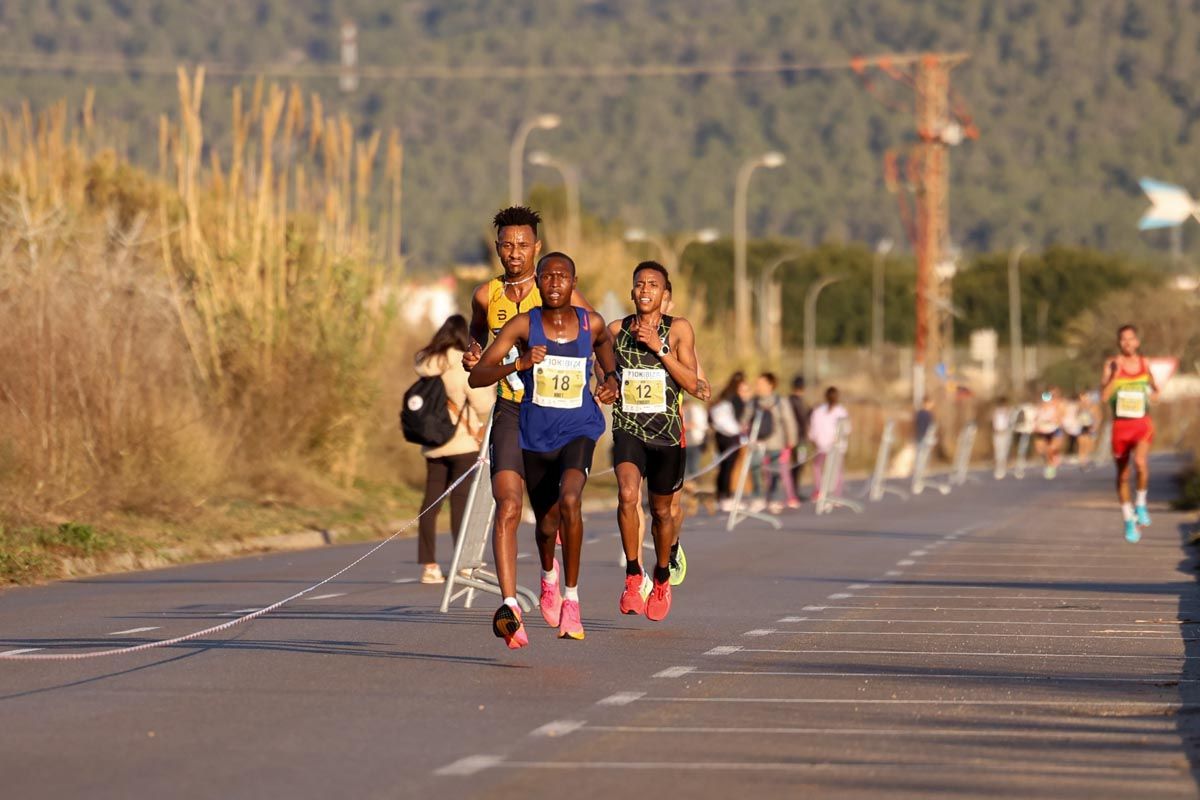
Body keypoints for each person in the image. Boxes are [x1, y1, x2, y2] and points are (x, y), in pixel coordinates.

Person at [469, 252, 617, 646]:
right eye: (547, 277)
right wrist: (517, 366)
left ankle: (571, 599)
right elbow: (479, 373)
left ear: (573, 282)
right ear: (539, 283)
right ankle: (547, 577)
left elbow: (606, 349)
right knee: (547, 522)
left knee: (570, 501)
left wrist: (612, 380)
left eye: (562, 277)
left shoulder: (591, 322)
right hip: (535, 433)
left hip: (579, 429)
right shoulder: (523, 326)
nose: (554, 284)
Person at [610, 261, 700, 621]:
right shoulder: (616, 330)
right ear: (632, 292)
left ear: (666, 296)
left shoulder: (678, 330)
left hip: (666, 434)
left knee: (662, 512)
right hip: (628, 426)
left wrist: (660, 348)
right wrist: (606, 382)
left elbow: (693, 383)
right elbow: (603, 369)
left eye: (653, 284)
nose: (645, 289)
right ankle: (634, 574)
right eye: (639, 284)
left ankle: (661, 575)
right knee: (627, 495)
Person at [412, 315, 495, 583]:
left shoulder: (426, 363)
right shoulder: (463, 364)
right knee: (460, 504)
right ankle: (462, 565)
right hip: (462, 443)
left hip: (433, 442)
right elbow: (482, 405)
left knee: (430, 504)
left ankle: (429, 566)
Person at [1101, 324, 1159, 543]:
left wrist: (1152, 394)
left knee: (1141, 463)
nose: (1127, 343)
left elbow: (1156, 391)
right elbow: (1105, 396)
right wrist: (1115, 376)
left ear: (1137, 342)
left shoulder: (1145, 364)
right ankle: (1128, 518)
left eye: (1131, 339)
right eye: (1123, 339)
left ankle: (1141, 504)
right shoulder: (1111, 365)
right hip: (1120, 427)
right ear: (1119, 342)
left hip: (1142, 423)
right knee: (1123, 475)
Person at [754, 373, 798, 514]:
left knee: (775, 471)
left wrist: (791, 439)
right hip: (757, 442)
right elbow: (745, 419)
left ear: (770, 385)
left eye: (761, 383)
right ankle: (759, 496)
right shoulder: (754, 401)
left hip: (776, 441)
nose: (758, 386)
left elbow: (789, 420)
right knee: (756, 468)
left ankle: (773, 498)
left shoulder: (780, 401)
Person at [709, 372, 751, 512]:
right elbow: (741, 418)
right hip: (731, 436)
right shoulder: (735, 399)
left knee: (723, 467)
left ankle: (721, 496)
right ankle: (726, 497)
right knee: (729, 467)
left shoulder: (724, 396)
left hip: (720, 435)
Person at [808, 387, 850, 500]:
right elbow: (847, 430)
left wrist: (815, 440)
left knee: (818, 467)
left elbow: (813, 430)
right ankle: (835, 494)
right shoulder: (841, 411)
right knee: (837, 471)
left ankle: (820, 490)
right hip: (832, 447)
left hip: (822, 446)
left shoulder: (819, 411)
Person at [787, 376, 810, 503]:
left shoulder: (789, 400)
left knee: (796, 464)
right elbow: (803, 419)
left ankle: (794, 490)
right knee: (798, 464)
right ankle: (794, 491)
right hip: (799, 438)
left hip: (793, 437)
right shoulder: (798, 402)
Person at [1033, 388, 1064, 479]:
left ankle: (1051, 466)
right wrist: (1036, 426)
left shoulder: (1056, 406)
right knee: (1041, 449)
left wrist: (1056, 421)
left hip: (1054, 430)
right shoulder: (1039, 407)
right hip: (1042, 431)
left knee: (1052, 448)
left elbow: (1060, 418)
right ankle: (1050, 461)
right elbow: (1035, 419)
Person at [991, 396, 1013, 480]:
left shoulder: (1008, 412)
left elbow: (1010, 423)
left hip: (1005, 433)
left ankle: (1002, 468)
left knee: (1003, 452)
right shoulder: (996, 412)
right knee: (998, 451)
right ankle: (998, 468)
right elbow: (994, 423)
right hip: (997, 433)